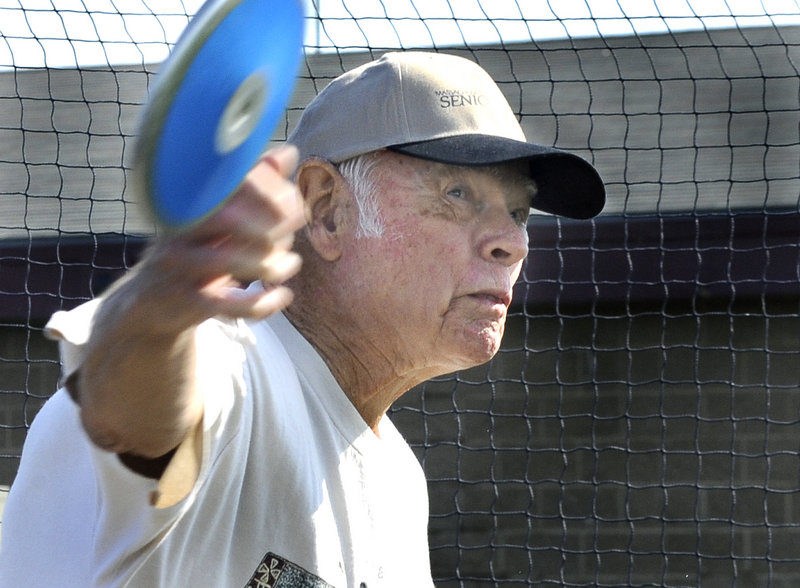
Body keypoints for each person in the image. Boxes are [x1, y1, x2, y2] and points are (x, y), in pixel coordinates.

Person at [0, 51, 604, 587]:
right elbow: (134, 409)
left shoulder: (400, 483)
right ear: (325, 208)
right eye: (456, 195)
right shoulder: (228, 365)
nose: (512, 243)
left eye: (519, 213)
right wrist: (159, 303)